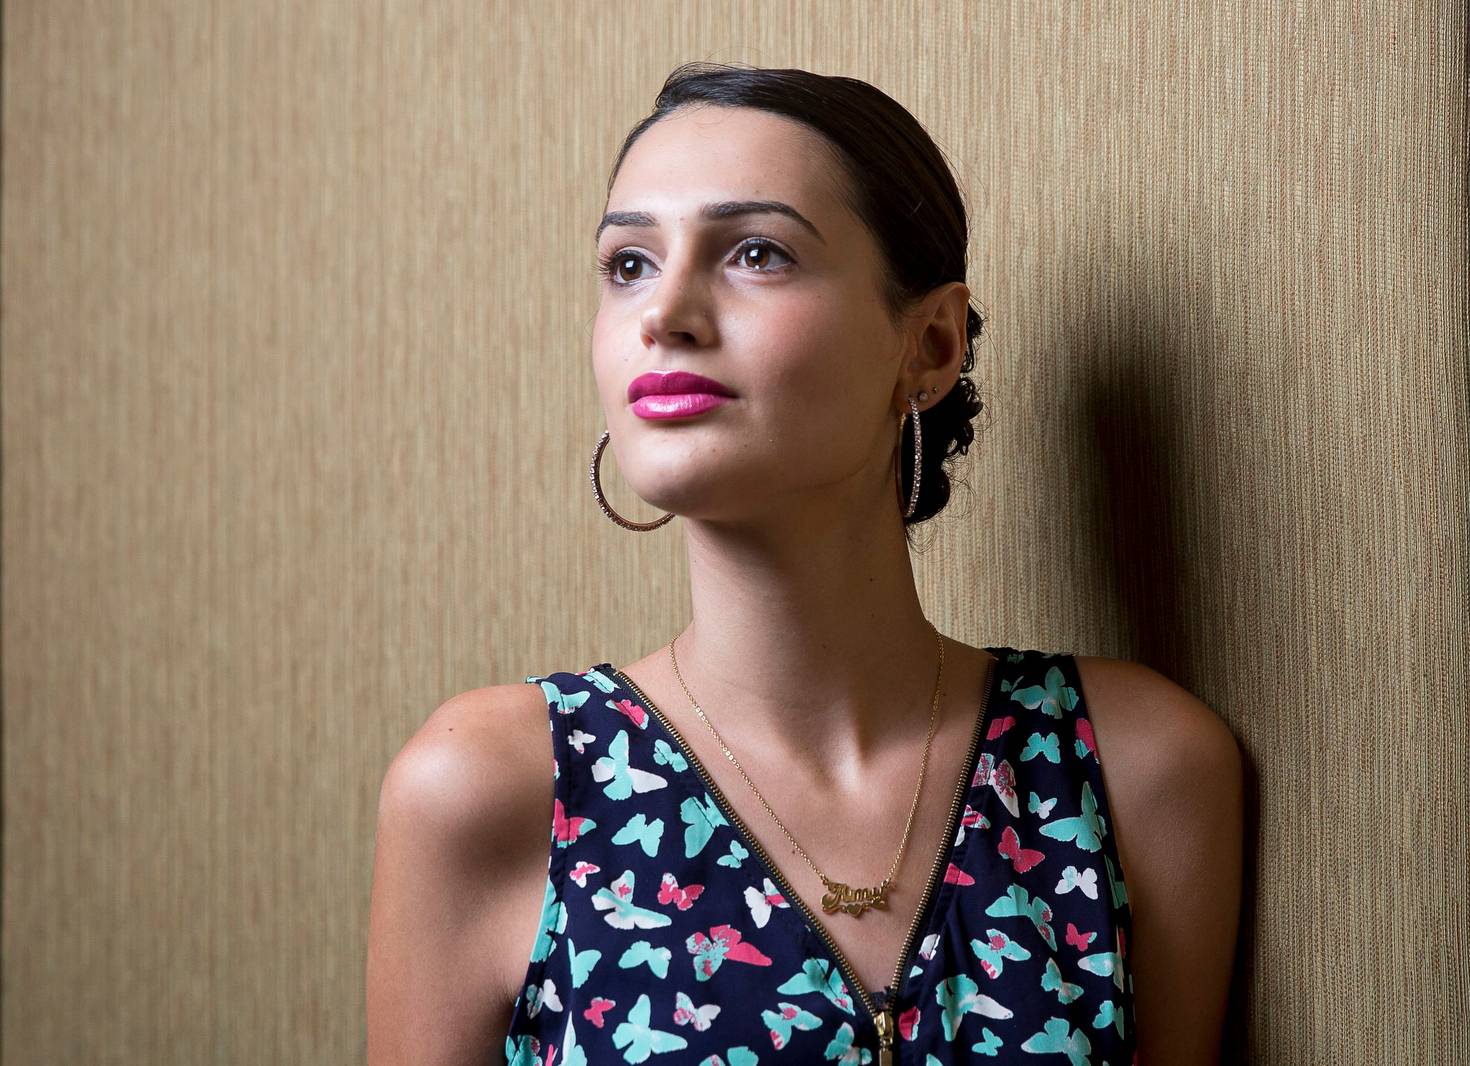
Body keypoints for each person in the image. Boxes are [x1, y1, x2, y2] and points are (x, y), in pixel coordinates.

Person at [366, 62, 1243, 1066]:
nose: (665, 313)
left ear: (930, 345)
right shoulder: (499, 788)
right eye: (629, 263)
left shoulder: (1132, 771)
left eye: (757, 253)